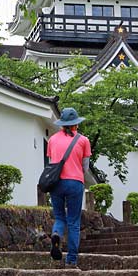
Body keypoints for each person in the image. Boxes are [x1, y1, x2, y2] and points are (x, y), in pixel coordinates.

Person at [47, 107, 91, 267]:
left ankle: (56, 234)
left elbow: (52, 163)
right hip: (75, 183)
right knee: (73, 222)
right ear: (75, 125)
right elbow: (85, 167)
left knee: (59, 217)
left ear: (62, 124)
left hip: (56, 183)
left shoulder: (52, 140)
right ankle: (71, 260)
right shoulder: (83, 140)